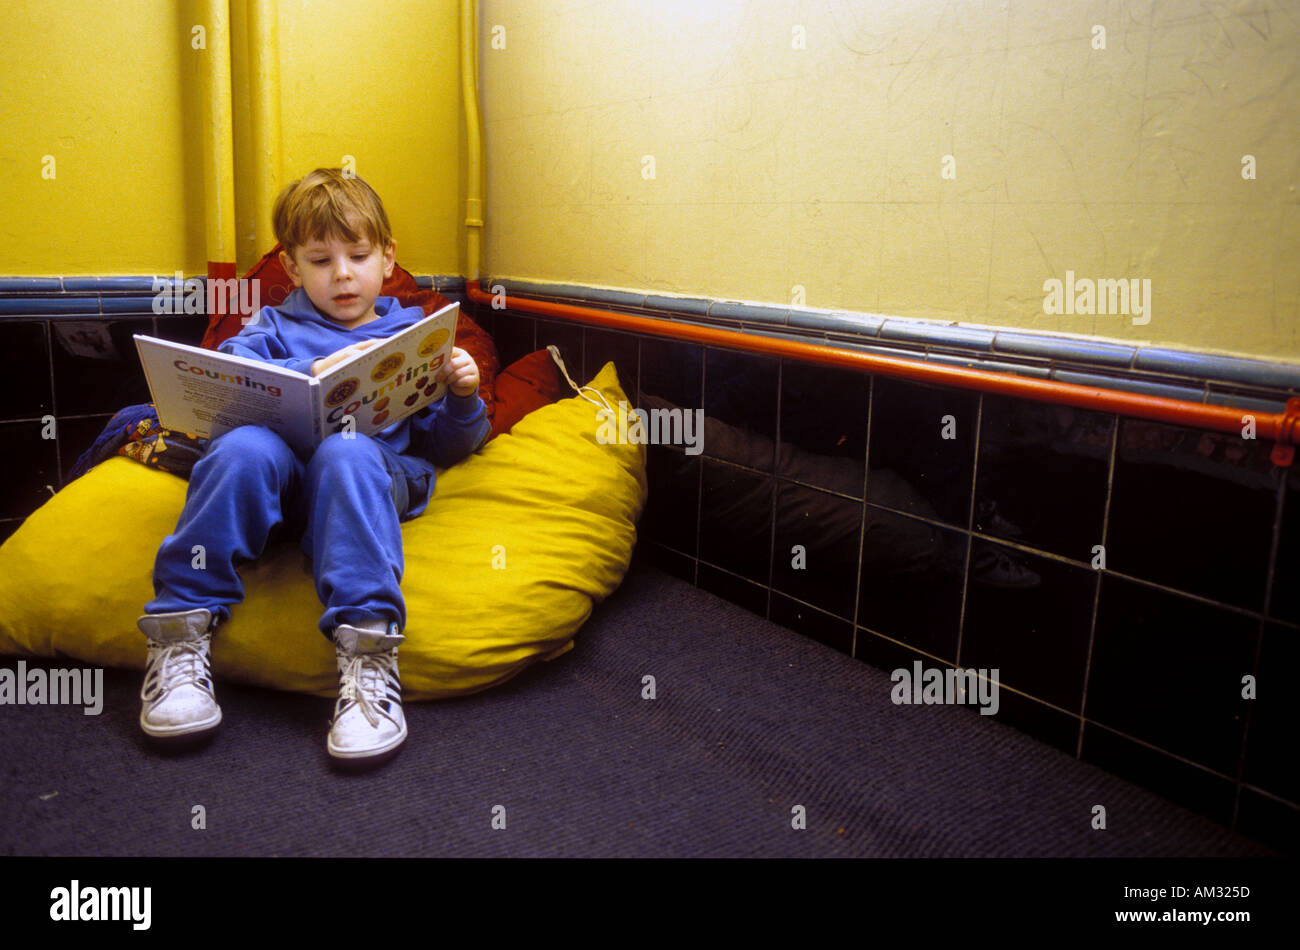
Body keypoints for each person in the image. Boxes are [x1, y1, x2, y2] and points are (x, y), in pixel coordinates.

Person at [136, 168, 489, 768]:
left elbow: (448, 448)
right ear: (294, 269)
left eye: (358, 255)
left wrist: (463, 397)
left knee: (346, 450)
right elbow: (225, 396)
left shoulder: (414, 332)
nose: (343, 274)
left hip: (364, 480)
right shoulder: (270, 327)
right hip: (277, 487)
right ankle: (179, 638)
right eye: (321, 260)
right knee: (245, 447)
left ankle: (369, 658)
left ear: (387, 258)